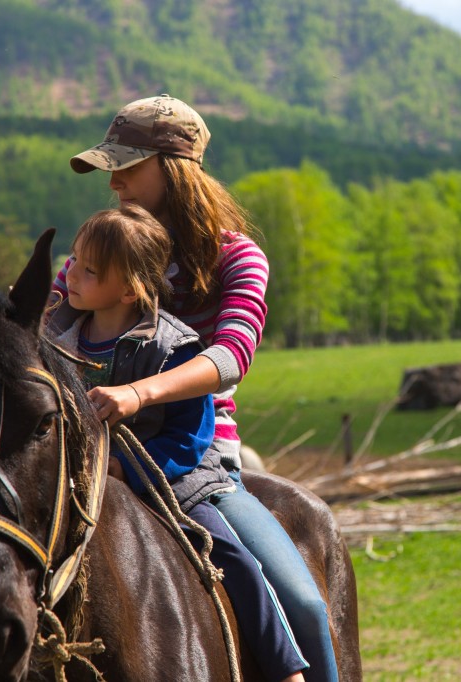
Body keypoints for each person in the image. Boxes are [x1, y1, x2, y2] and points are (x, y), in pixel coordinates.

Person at [0, 205, 309, 682]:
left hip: (173, 482)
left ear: (131, 286)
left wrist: (128, 469)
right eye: (73, 261)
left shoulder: (171, 346)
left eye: (89, 270)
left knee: (229, 555)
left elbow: (191, 437)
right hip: (87, 479)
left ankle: (286, 669)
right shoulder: (60, 337)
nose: (70, 275)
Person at [57, 94, 339, 682]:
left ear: (174, 167)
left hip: (194, 463)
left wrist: (140, 394)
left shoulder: (239, 258)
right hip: (86, 459)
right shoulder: (100, 255)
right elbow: (28, 328)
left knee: (307, 604)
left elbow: (231, 356)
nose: (115, 184)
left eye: (127, 167)